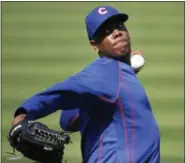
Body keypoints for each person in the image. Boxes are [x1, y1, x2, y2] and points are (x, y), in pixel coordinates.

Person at [11, 6, 160, 163]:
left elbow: (68, 121)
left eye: (120, 26)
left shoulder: (115, 78)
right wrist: (23, 114)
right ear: (94, 45)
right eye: (106, 32)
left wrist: (130, 70)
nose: (117, 32)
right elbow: (63, 92)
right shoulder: (106, 71)